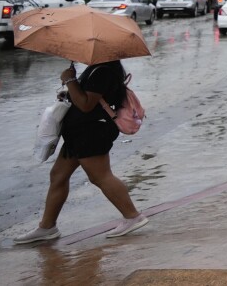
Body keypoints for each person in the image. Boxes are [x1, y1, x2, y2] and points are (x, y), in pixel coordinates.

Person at [15, 60, 149, 244]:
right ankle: (47, 227)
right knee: (58, 176)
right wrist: (70, 93)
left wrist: (70, 80)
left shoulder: (104, 70)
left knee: (100, 176)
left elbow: (86, 105)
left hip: (91, 131)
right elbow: (86, 97)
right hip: (78, 133)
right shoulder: (98, 68)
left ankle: (133, 216)